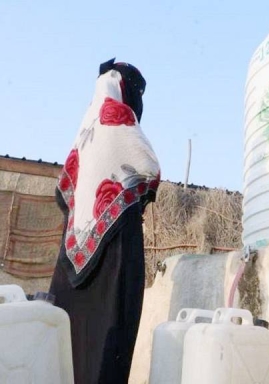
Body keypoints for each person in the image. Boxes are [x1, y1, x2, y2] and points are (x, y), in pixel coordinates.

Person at [49, 58, 160, 384]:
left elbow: (64, 190)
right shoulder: (118, 118)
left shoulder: (85, 132)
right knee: (109, 339)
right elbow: (148, 167)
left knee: (69, 348)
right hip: (114, 254)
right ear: (127, 89)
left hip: (69, 268)